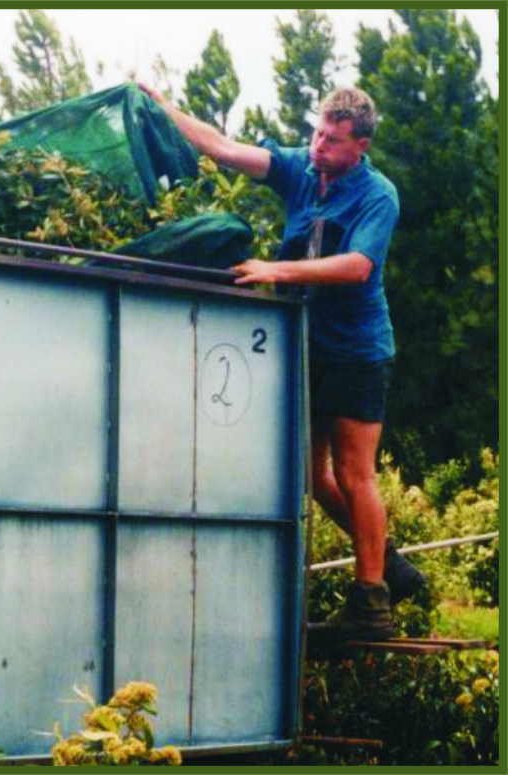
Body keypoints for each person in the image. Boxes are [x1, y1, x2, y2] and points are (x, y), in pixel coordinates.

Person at [139, 83, 425, 641]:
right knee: (311, 476)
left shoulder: (377, 195)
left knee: (353, 472)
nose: (318, 145)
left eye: (333, 140)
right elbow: (222, 148)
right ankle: (386, 561)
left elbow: (358, 266)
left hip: (360, 349)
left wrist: (276, 270)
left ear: (360, 146)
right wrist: (161, 105)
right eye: (318, 132)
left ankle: (371, 605)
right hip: (308, 344)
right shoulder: (298, 168)